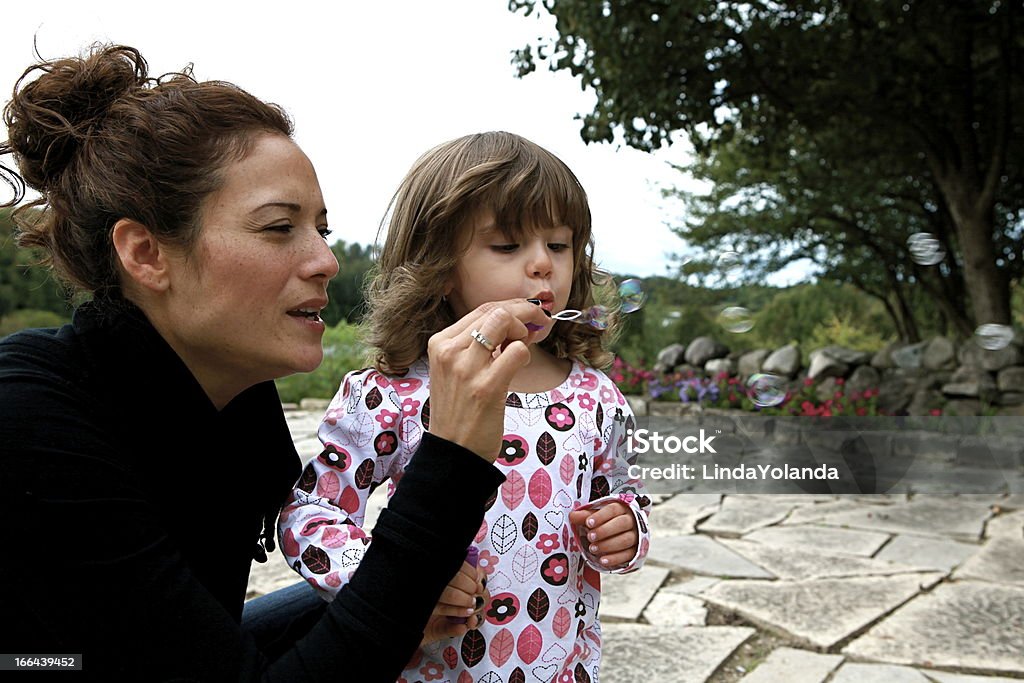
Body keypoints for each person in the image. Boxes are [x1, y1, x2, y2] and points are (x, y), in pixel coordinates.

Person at [0, 45, 549, 681]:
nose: (326, 260)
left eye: (321, 227)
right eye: (278, 227)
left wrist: (416, 592)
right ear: (146, 253)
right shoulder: (31, 424)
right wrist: (451, 456)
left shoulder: (235, 403)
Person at [280, 131, 652, 683]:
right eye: (507, 246)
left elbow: (621, 492)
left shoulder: (595, 396)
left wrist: (625, 526)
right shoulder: (393, 395)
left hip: (560, 666)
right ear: (438, 267)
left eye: (559, 244)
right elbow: (310, 513)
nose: (541, 266)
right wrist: (392, 576)